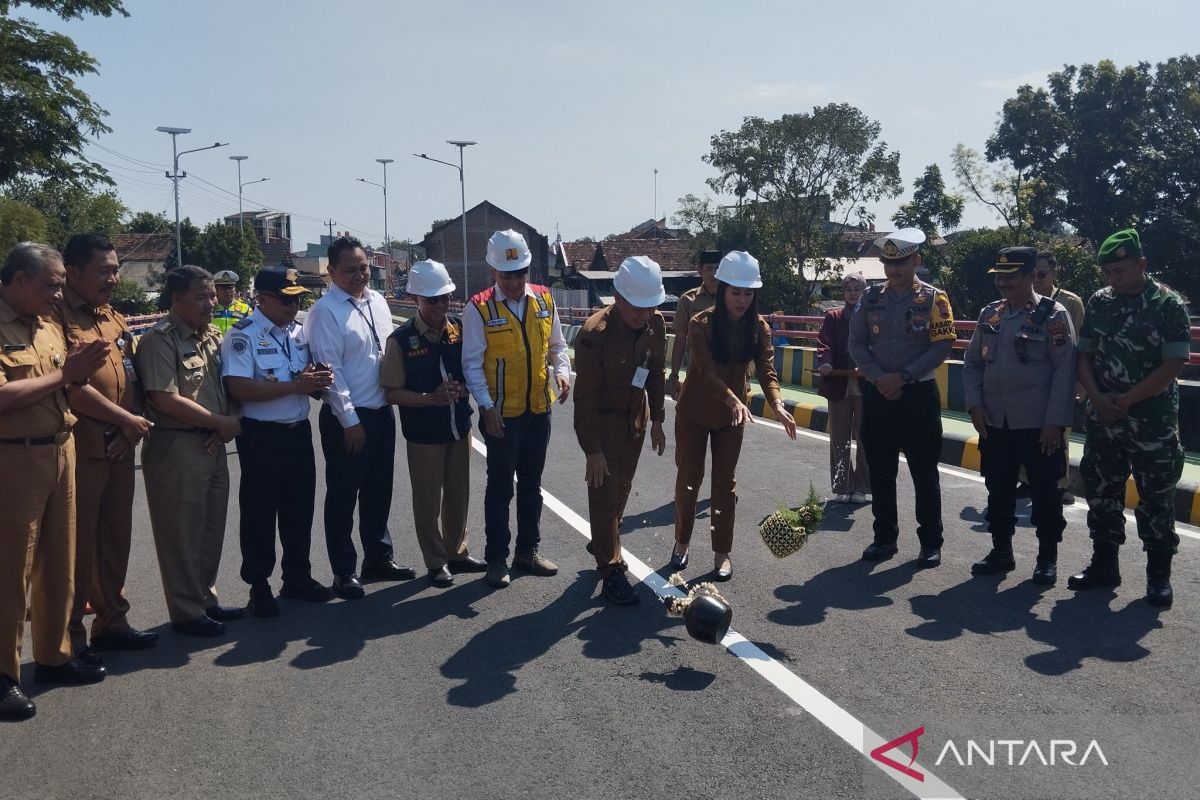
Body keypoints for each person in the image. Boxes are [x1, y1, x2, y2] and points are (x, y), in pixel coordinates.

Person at [0, 243, 109, 721]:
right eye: (51, 283)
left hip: (61, 447)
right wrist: (67, 374)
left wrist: (82, 378)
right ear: (18, 280)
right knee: (9, 572)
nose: (58, 291)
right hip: (14, 458)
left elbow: (67, 384)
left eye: (62, 282)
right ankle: (4, 675)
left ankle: (54, 655)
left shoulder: (47, 326)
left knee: (58, 562)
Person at [1067, 229, 1190, 608]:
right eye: (1107, 272)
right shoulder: (1100, 303)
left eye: (1120, 270)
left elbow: (1174, 363)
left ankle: (1158, 577)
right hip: (1104, 417)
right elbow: (1083, 355)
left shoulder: (1167, 305)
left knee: (1156, 499)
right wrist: (1099, 398)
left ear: (1142, 264)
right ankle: (1105, 566)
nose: (1112, 279)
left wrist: (1126, 399)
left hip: (1151, 421)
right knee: (1102, 491)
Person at [56, 234, 157, 663]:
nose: (114, 278)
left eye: (116, 269)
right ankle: (69, 637)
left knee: (116, 539)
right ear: (74, 273)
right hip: (82, 448)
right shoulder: (55, 319)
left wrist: (129, 426)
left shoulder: (111, 318)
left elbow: (128, 376)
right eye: (105, 270)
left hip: (119, 445)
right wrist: (124, 421)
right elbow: (72, 387)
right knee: (77, 546)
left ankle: (112, 622)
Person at [671, 251, 797, 580]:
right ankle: (681, 543)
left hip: (732, 417)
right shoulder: (702, 324)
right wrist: (731, 398)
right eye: (735, 292)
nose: (742, 300)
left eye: (748, 293)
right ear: (723, 289)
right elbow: (706, 370)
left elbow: (767, 371)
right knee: (688, 482)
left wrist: (778, 404)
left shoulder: (759, 327)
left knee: (724, 486)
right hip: (695, 412)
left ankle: (722, 553)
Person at [221, 268, 335, 616]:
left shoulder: (298, 332)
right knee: (260, 511)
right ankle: (259, 585)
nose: (294, 304)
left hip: (298, 430)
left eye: (298, 297)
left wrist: (317, 381)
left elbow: (306, 378)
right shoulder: (243, 336)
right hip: (261, 436)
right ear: (262, 298)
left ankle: (297, 576)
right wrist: (295, 386)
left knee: (299, 508)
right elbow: (239, 387)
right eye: (287, 299)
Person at [306, 236, 415, 599]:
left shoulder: (378, 301)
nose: (359, 276)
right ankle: (344, 570)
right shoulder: (325, 312)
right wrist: (350, 421)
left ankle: (378, 558)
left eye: (364, 268)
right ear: (331, 271)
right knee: (343, 495)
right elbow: (330, 371)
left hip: (383, 412)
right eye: (350, 270)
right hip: (347, 420)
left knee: (378, 491)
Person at [138, 265, 244, 636]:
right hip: (177, 446)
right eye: (202, 297)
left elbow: (231, 384)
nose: (211, 302)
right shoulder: (159, 340)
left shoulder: (212, 336)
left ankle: (206, 599)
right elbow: (164, 399)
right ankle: (186, 612)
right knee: (181, 534)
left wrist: (228, 421)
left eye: (213, 295)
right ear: (177, 299)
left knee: (210, 529)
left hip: (214, 444)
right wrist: (220, 423)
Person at [462, 229, 571, 589]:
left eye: (520, 273)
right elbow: (472, 364)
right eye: (506, 274)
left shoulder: (543, 299)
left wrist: (563, 371)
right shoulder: (478, 307)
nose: (514, 281)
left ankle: (528, 550)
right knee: (499, 488)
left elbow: (556, 345)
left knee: (532, 484)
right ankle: (497, 557)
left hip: (539, 409)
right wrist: (487, 406)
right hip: (502, 415)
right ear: (492, 272)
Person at [963, 247, 1076, 585]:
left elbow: (1064, 371)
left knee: (1044, 492)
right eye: (999, 277)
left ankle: (1047, 558)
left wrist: (1055, 421)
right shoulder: (990, 314)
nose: (1003, 283)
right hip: (996, 421)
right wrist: (975, 405)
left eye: (1011, 276)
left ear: (1031, 276)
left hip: (1038, 424)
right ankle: (1001, 551)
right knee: (997, 489)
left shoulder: (1053, 314)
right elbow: (972, 364)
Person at [848, 228, 956, 567]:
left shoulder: (935, 299)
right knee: (880, 470)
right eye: (888, 264)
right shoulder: (871, 298)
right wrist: (880, 377)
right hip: (879, 393)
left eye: (901, 263)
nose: (893, 271)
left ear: (916, 261)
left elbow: (942, 345)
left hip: (918, 396)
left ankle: (930, 542)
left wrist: (904, 377)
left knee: (924, 472)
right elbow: (856, 343)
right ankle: (884, 538)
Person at [381, 260, 487, 587]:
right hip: (424, 433)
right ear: (415, 300)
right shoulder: (401, 340)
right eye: (432, 300)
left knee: (459, 493)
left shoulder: (460, 329)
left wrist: (463, 389)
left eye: (445, 298)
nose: (440, 306)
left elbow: (475, 372)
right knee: (428, 500)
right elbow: (392, 393)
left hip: (458, 427)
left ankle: (456, 551)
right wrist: (430, 397)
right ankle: (436, 560)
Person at [573, 256, 668, 605]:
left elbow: (655, 373)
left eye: (650, 306)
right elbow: (583, 399)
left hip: (635, 421)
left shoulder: (656, 325)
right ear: (617, 296)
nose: (643, 315)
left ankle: (603, 537)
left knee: (621, 490)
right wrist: (592, 449)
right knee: (603, 495)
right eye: (635, 307)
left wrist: (657, 419)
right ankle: (611, 568)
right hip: (603, 422)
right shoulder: (593, 335)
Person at [1029, 250, 1085, 504]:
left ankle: (1061, 484)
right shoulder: (1024, 299)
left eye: (1042, 274)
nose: (1037, 279)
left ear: (1054, 273)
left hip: (1061, 377)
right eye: (1033, 274)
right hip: (1032, 379)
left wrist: (1079, 382)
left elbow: (1080, 346)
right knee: (1027, 430)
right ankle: (1027, 480)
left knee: (1059, 433)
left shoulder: (1071, 303)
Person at [816, 271, 871, 504]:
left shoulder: (871, 316)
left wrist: (868, 365)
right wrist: (825, 362)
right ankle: (843, 485)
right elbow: (823, 342)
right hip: (838, 382)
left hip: (865, 383)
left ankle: (863, 487)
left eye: (857, 289)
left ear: (864, 290)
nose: (852, 293)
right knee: (839, 437)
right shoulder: (833, 316)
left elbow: (878, 344)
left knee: (867, 437)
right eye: (848, 289)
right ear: (843, 292)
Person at [667, 249, 719, 400]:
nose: (714, 273)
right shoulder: (688, 300)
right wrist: (674, 376)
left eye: (718, 269)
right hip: (696, 374)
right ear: (700, 271)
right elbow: (680, 340)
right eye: (709, 269)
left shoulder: (731, 298)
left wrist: (746, 378)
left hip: (726, 373)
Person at [211, 269, 251, 336]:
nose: (227, 291)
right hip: (213, 345)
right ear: (216, 289)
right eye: (223, 288)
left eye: (230, 287)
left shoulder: (246, 308)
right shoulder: (210, 307)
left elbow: (252, 330)